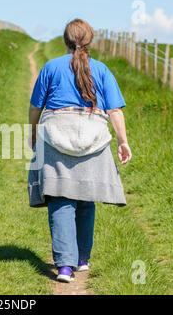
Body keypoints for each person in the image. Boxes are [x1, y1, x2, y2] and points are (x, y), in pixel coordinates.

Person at [28, 19, 132, 283]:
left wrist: (33, 131)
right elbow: (115, 111)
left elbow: (35, 108)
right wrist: (122, 141)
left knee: (61, 200)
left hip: (56, 140)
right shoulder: (102, 69)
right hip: (93, 142)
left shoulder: (51, 67)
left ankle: (64, 267)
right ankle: (82, 260)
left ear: (65, 40)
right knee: (86, 197)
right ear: (90, 41)